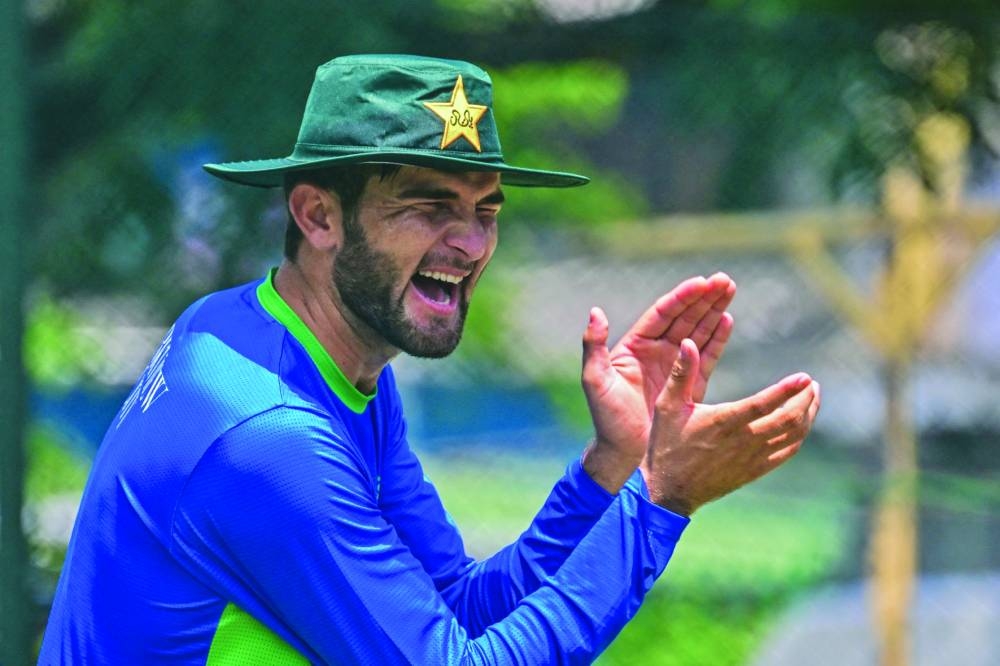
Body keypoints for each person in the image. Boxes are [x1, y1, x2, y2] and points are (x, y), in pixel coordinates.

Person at [39, 54, 820, 664]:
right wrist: (661, 501)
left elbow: (453, 607)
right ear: (317, 215)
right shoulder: (271, 439)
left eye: (486, 210)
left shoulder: (278, 341)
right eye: (429, 206)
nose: (472, 244)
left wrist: (611, 467)